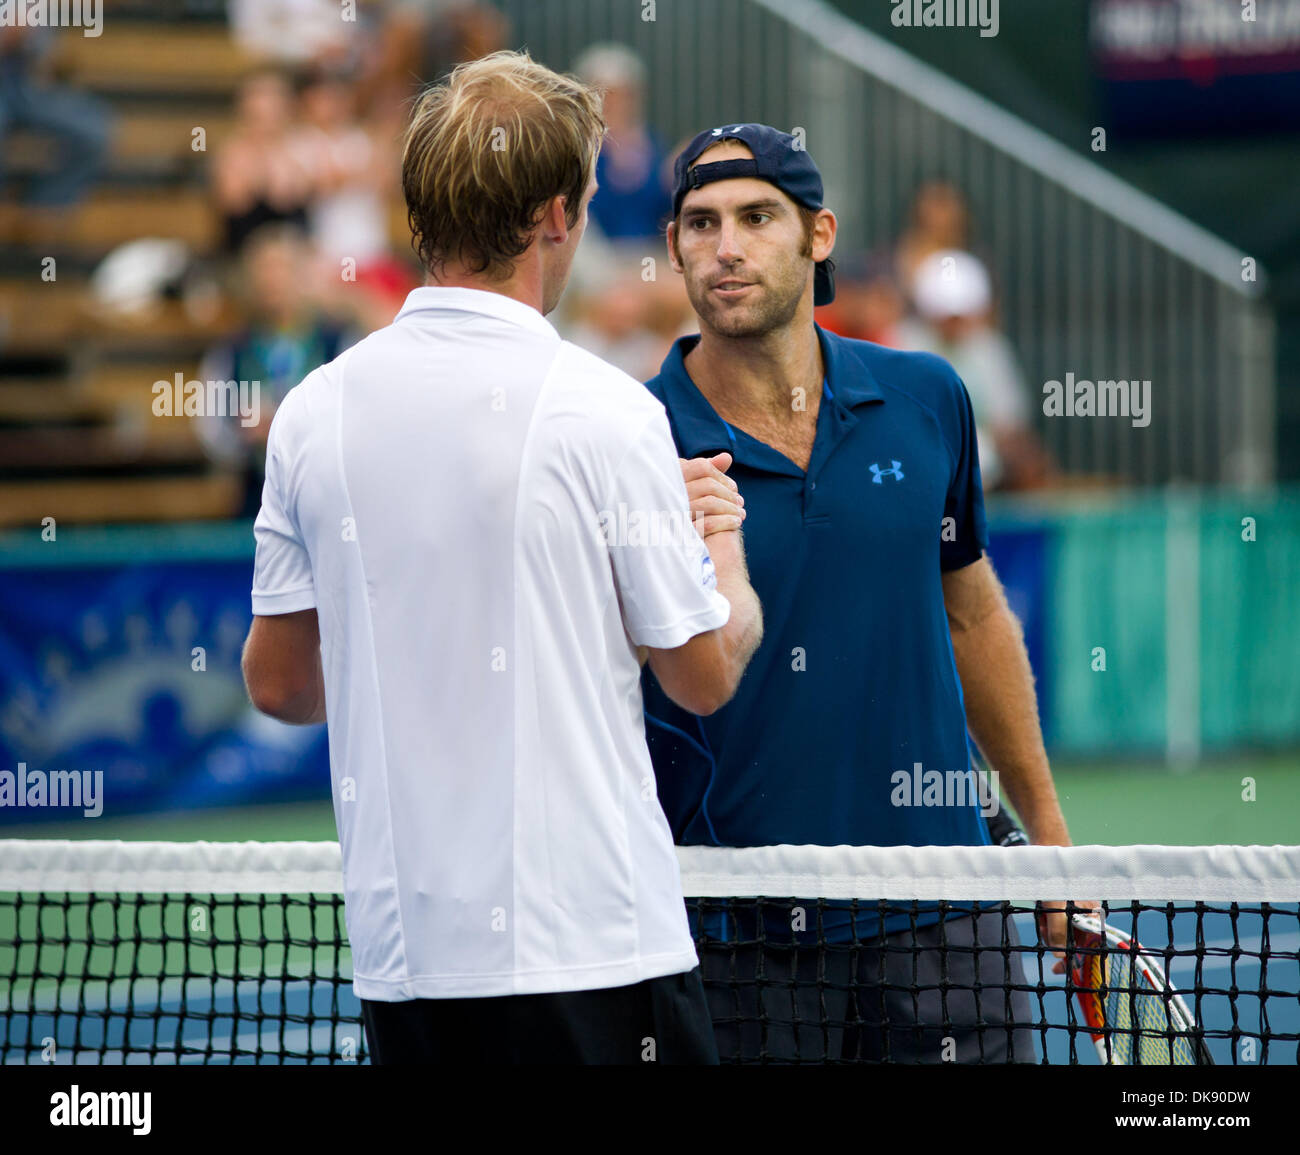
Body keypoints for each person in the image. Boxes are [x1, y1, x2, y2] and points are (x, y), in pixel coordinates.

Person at [240, 51, 763, 1065]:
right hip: (602, 962)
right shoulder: (608, 407)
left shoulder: (310, 414)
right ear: (557, 216)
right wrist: (725, 559)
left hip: (409, 972)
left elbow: (280, 684)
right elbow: (701, 676)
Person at [641, 123, 1076, 1063]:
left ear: (819, 236)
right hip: (727, 937)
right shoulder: (628, 437)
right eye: (700, 223)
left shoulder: (929, 397)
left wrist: (1044, 826)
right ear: (673, 247)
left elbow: (972, 613)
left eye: (758, 217)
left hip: (944, 918)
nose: (726, 247)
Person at [897, 249, 1051, 490]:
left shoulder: (989, 348)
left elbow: (1009, 420)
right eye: (946, 315)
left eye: (960, 314)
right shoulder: (903, 343)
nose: (954, 323)